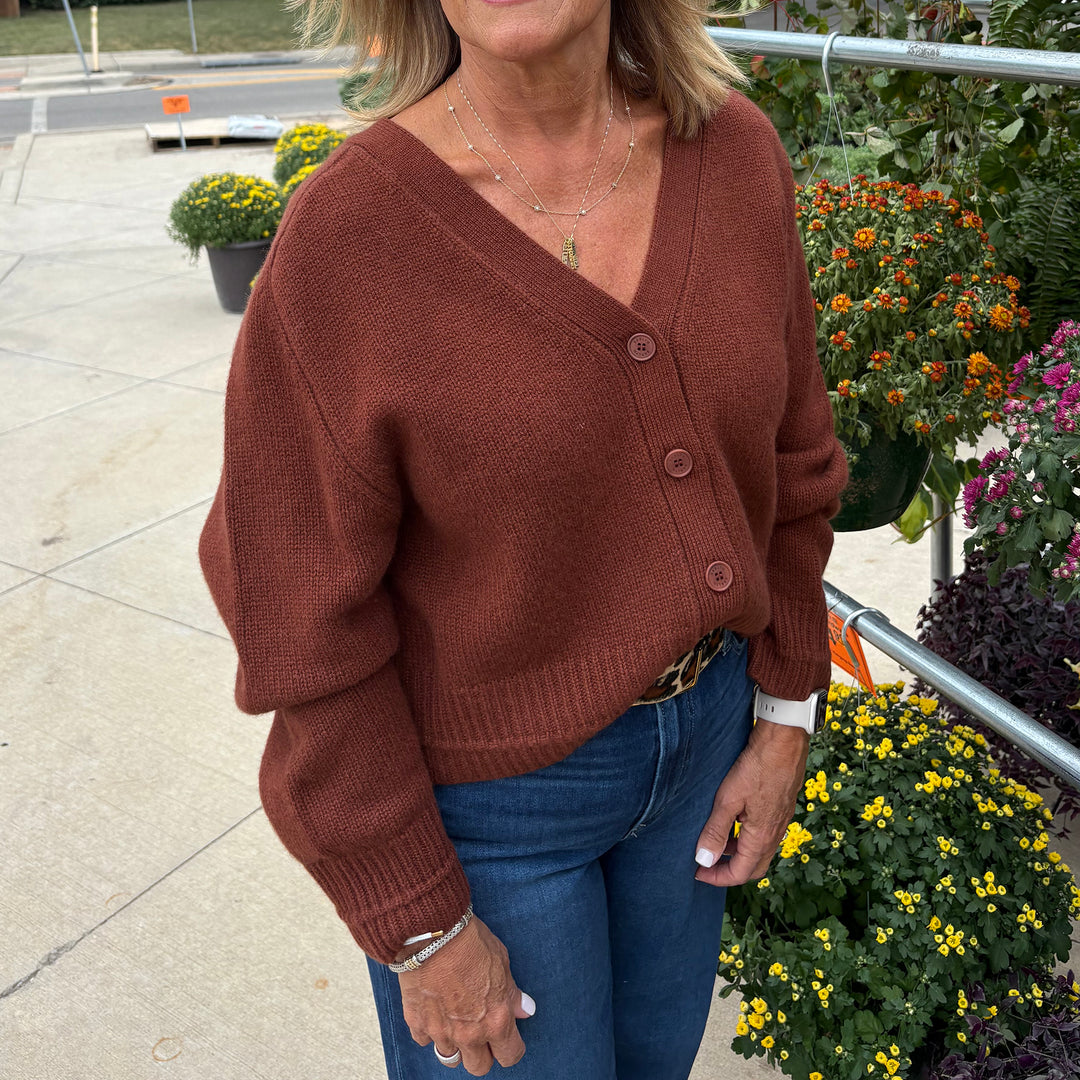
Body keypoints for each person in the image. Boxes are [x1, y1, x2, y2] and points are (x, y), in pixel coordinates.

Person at [197, 1, 849, 1077]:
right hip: (492, 818)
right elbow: (298, 615)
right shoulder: (349, 237)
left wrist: (784, 716)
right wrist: (418, 920)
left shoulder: (734, 156)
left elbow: (796, 464)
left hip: (705, 753)